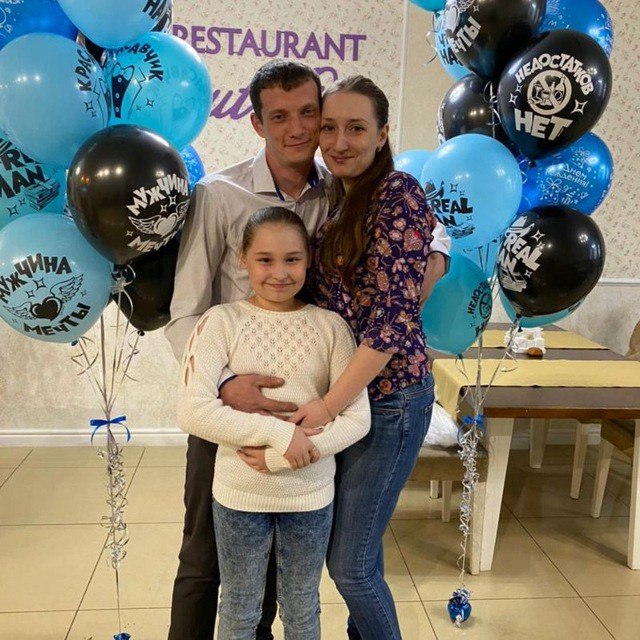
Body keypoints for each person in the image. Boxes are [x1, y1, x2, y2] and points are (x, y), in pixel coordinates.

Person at [166, 59, 450, 640]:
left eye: (308, 114)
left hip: (339, 401)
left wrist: (430, 267)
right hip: (234, 406)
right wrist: (223, 385)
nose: (300, 129)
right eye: (280, 116)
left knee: (321, 557)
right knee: (206, 555)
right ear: (256, 123)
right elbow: (185, 312)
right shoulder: (220, 194)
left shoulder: (346, 187)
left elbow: (427, 232)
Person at [177, 207, 371, 640]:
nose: (279, 273)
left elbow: (358, 417)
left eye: (292, 259)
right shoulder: (220, 322)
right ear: (242, 259)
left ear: (308, 260)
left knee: (302, 609)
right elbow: (192, 410)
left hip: (310, 494)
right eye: (265, 259)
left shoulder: (331, 327)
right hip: (239, 494)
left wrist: (288, 457)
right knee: (240, 609)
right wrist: (280, 435)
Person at [290, 75, 437, 640]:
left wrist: (328, 405)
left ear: (382, 134)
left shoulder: (397, 193)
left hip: (390, 401)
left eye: (356, 128)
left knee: (350, 565)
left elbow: (391, 322)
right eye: (328, 127)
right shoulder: (339, 198)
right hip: (351, 400)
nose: (339, 141)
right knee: (354, 554)